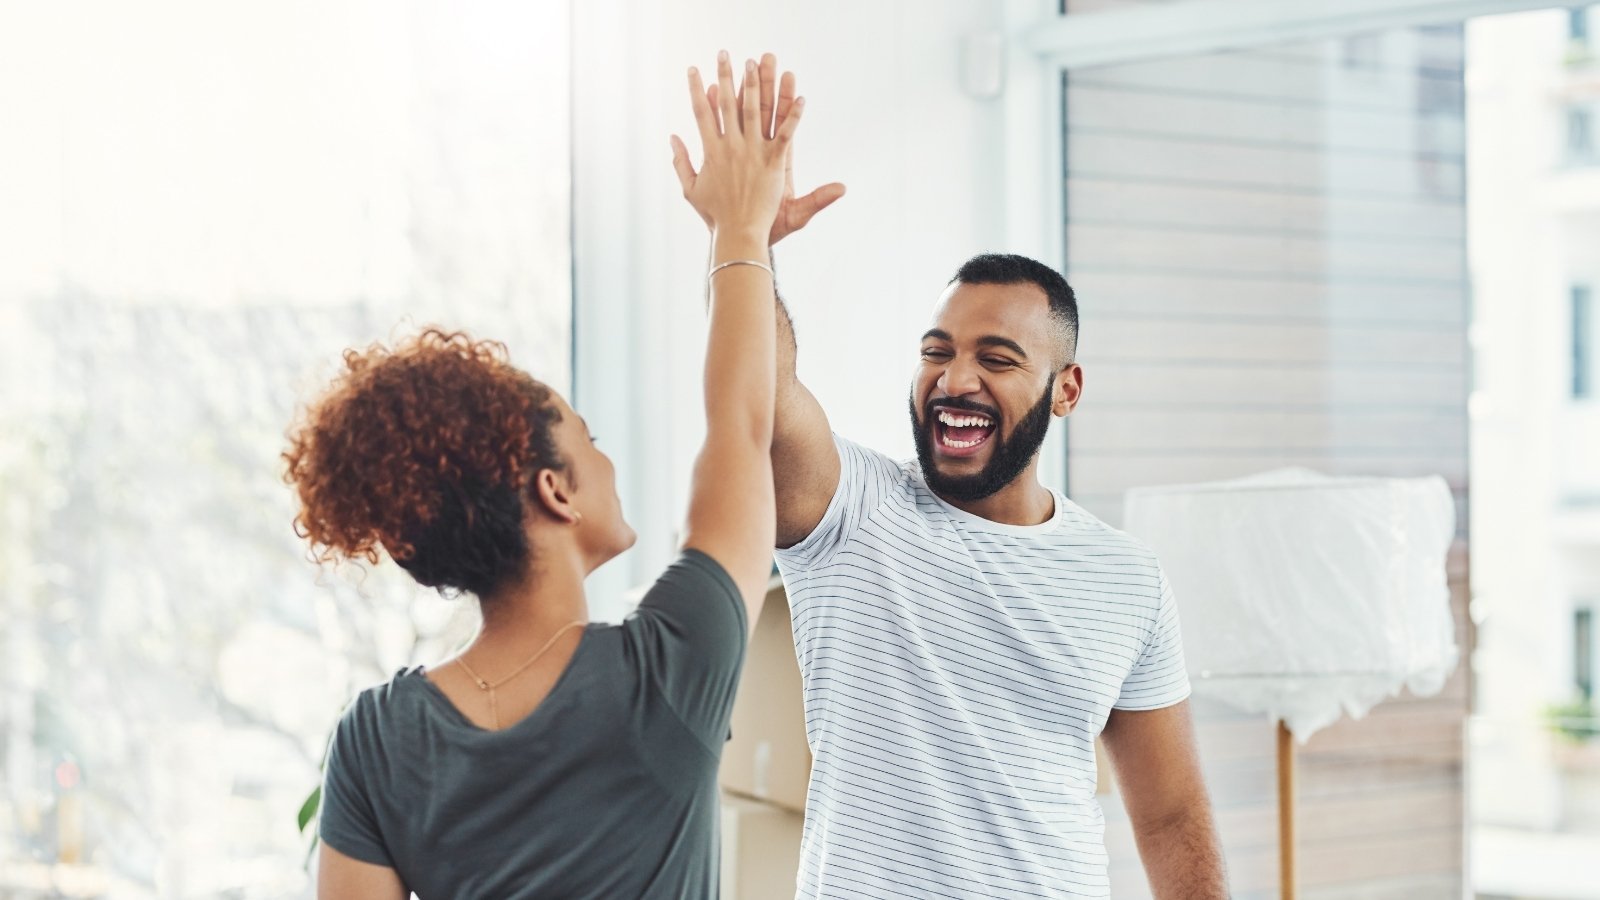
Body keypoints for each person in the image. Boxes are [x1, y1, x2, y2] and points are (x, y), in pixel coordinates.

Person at [669, 55, 1228, 899]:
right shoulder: (850, 511)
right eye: (937, 353)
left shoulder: (1127, 580)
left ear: (1064, 390)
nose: (956, 379)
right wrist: (740, 239)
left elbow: (1172, 816)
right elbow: (764, 396)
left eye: (995, 359)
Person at [285, 51, 799, 899]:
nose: (606, 457)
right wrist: (738, 232)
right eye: (587, 437)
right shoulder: (670, 669)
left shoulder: (375, 738)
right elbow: (741, 427)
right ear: (553, 490)